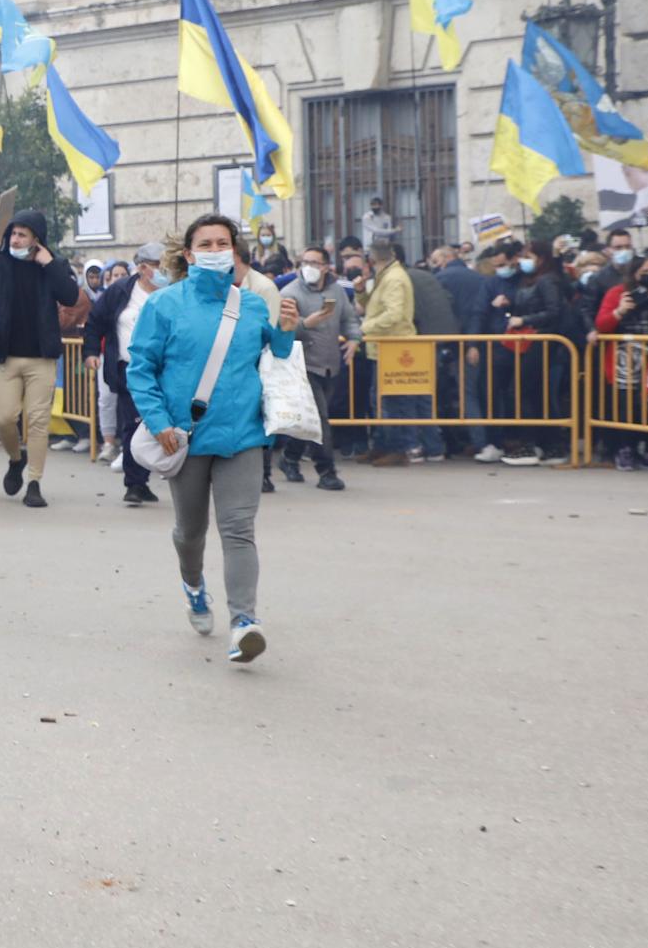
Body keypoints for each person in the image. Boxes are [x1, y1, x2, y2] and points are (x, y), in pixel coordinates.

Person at [125, 214, 302, 661]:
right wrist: (159, 421)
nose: (215, 249)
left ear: (235, 252)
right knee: (191, 532)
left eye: (223, 242)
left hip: (242, 435)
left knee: (239, 530)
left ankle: (244, 621)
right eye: (206, 243)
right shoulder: (164, 305)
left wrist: (286, 328)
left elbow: (277, 355)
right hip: (181, 438)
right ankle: (193, 585)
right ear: (189, 254)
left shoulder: (252, 305)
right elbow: (141, 369)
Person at [0, 210, 85, 508]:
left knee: (37, 421)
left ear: (36, 239)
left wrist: (50, 265)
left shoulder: (53, 265)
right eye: (13, 234)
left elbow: (71, 296)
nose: (15, 239)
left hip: (42, 358)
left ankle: (34, 482)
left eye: (22, 234)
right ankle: (16, 458)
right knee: (4, 418)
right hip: (6, 357)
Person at [84, 242, 168, 505]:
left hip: (165, 370)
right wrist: (90, 352)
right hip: (128, 368)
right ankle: (134, 483)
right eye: (158, 266)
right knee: (133, 424)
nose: (163, 271)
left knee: (158, 423)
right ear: (142, 268)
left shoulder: (173, 292)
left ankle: (151, 476)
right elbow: (95, 321)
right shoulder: (120, 291)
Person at [277, 246, 358, 490]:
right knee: (320, 419)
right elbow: (282, 327)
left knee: (307, 420)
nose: (309, 267)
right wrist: (305, 324)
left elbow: (349, 319)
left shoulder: (337, 291)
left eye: (315, 262)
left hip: (330, 364)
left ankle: (289, 458)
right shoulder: (289, 292)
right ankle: (327, 471)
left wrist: (354, 339)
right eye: (305, 262)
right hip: (303, 365)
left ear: (326, 267)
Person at [595, 253, 648, 471]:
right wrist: (620, 310)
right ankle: (626, 449)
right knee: (626, 406)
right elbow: (602, 324)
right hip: (626, 359)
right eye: (644, 273)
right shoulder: (618, 293)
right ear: (633, 274)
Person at [500, 239, 573, 467]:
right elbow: (529, 305)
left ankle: (530, 444)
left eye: (528, 257)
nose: (524, 261)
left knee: (521, 391)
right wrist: (509, 307)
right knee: (535, 394)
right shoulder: (528, 280)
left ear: (541, 259)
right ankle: (548, 444)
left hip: (542, 340)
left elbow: (553, 311)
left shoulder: (548, 279)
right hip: (530, 341)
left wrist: (524, 320)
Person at [358, 241, 431, 467]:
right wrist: (361, 293)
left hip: (393, 347)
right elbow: (374, 306)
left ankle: (400, 448)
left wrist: (364, 328)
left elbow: (394, 315)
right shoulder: (385, 276)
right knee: (379, 400)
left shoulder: (394, 279)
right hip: (382, 346)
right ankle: (382, 445)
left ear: (372, 258)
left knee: (393, 401)